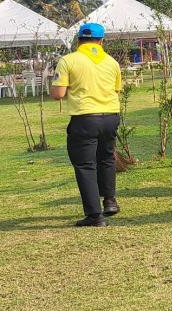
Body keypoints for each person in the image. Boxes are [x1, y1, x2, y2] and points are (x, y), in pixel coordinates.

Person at [49, 22, 122, 227]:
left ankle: (94, 215)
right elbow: (116, 92)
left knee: (85, 165)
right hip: (110, 115)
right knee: (106, 158)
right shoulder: (112, 62)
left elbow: (58, 94)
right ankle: (109, 201)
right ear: (101, 41)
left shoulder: (68, 60)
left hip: (84, 118)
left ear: (79, 40)